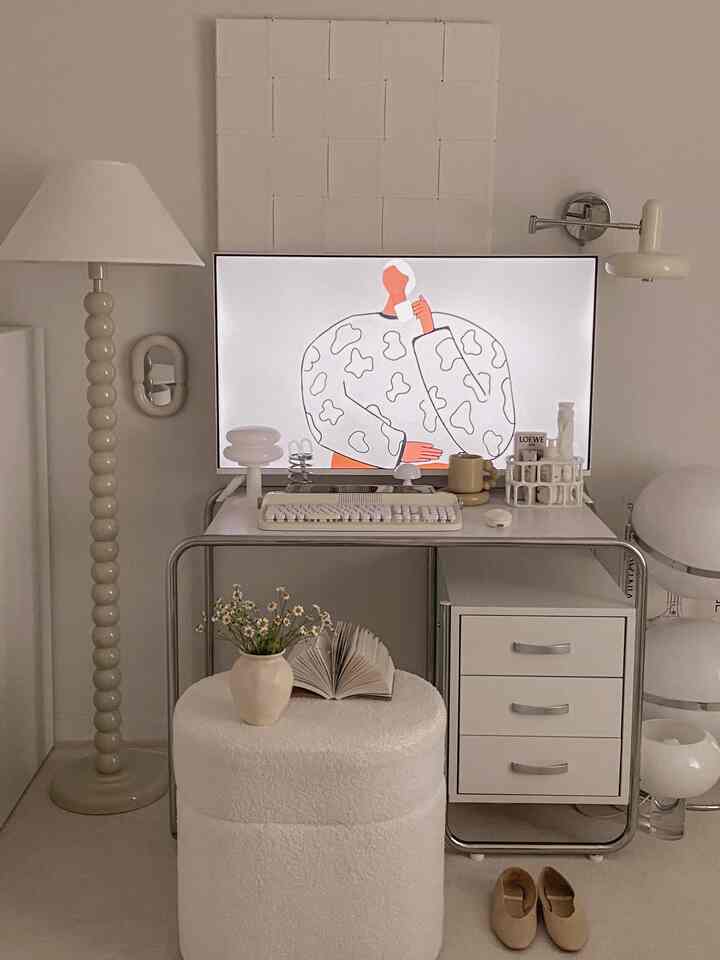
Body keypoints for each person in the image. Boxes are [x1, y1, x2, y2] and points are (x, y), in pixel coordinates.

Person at [300, 259, 515, 470]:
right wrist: (395, 448)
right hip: (360, 468)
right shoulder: (345, 335)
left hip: (443, 470)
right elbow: (322, 401)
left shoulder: (466, 334)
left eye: (400, 280)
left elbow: (492, 431)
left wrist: (431, 334)